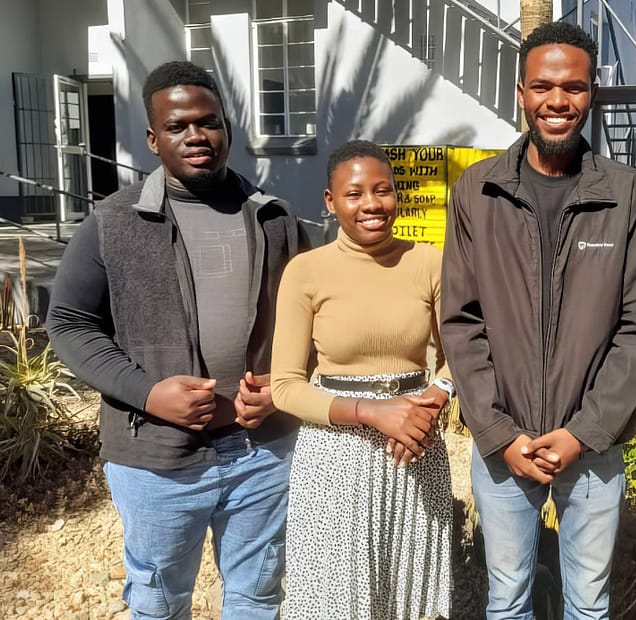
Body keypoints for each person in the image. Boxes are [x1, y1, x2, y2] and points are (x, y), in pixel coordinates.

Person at [46, 61, 309, 619]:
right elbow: (67, 322)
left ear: (226, 129)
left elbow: (310, 320)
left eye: (208, 122)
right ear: (153, 138)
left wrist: (284, 388)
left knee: (258, 596)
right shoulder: (112, 223)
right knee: (160, 601)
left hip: (260, 451)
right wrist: (147, 393)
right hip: (156, 458)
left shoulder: (275, 218)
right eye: (177, 126)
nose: (196, 136)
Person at [440, 21, 636, 619]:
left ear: (592, 92)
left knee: (589, 602)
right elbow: (461, 322)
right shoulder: (477, 191)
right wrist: (498, 432)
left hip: (592, 445)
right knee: (506, 597)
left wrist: (583, 432)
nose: (557, 101)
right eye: (542, 86)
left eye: (574, 87)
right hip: (503, 445)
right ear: (521, 92)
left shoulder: (627, 196)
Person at [270, 140, 454, 619]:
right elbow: (286, 385)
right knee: (336, 599)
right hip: (336, 455)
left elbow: (461, 355)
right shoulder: (306, 272)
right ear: (331, 202)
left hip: (414, 445)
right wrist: (371, 412)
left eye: (383, 190)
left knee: (409, 596)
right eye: (354, 194)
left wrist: (432, 402)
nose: (372, 204)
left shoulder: (428, 262)